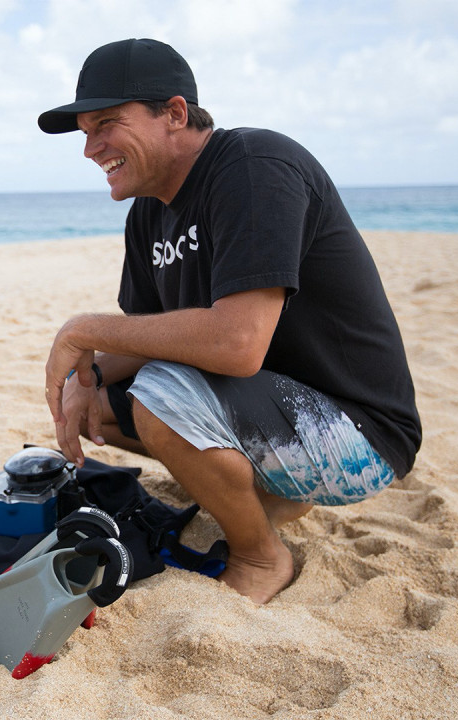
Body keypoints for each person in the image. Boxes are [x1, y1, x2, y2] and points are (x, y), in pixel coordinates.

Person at [37, 38, 422, 603]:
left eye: (107, 124)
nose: (91, 147)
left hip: (360, 434)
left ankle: (260, 556)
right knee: (104, 403)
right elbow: (153, 339)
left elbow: (238, 345)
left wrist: (81, 332)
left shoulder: (253, 167)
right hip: (268, 411)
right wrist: (85, 378)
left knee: (160, 394)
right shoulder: (148, 213)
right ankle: (270, 495)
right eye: (86, 130)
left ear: (174, 113)